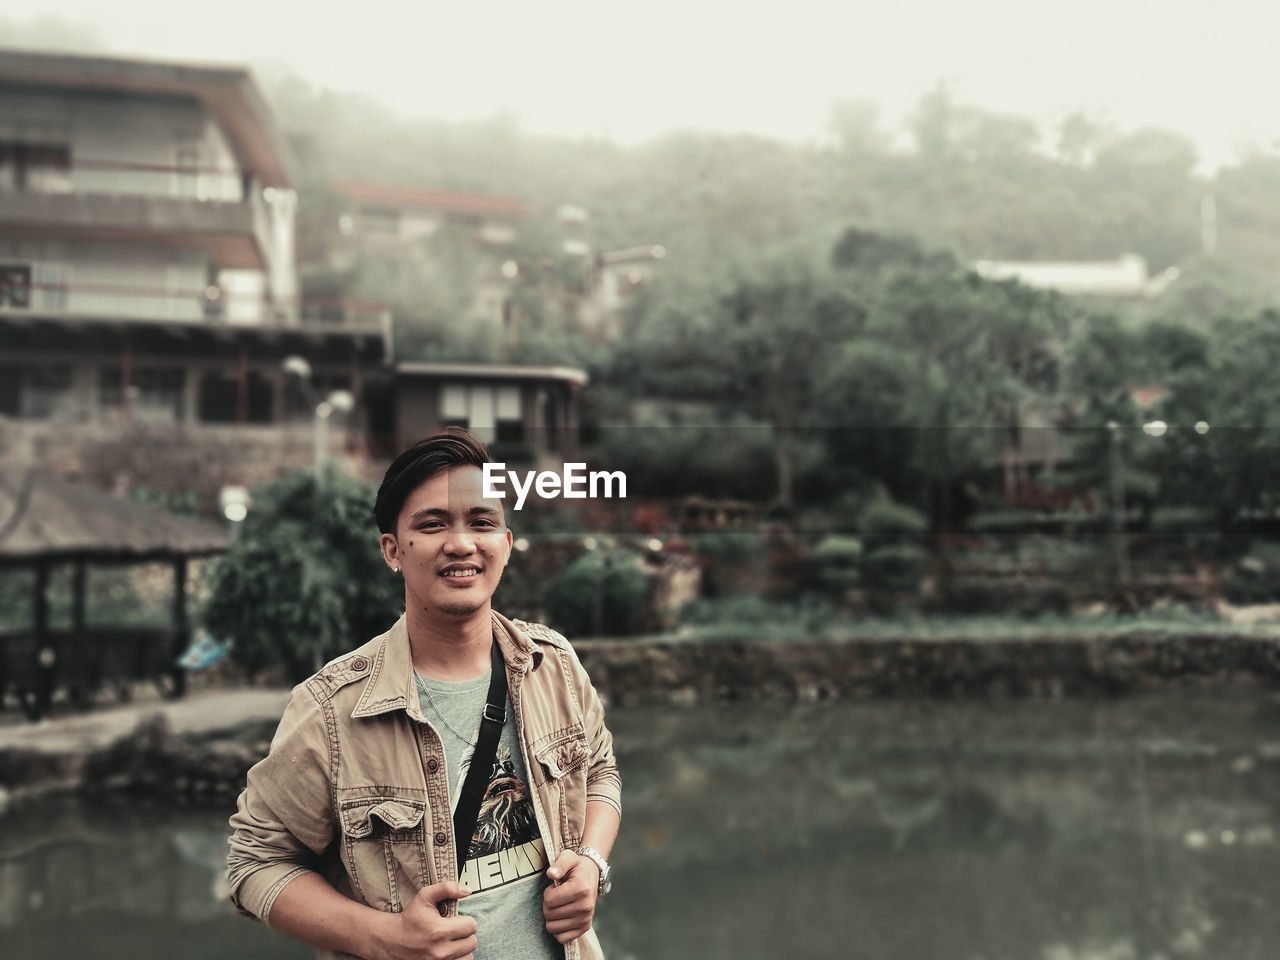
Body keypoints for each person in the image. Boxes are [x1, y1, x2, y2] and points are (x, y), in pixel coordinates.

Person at [227, 429, 621, 960]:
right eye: (432, 525)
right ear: (392, 549)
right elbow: (254, 863)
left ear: (505, 543)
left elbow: (600, 772)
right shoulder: (333, 709)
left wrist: (592, 861)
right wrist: (382, 938)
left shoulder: (553, 665)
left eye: (482, 522)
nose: (461, 544)